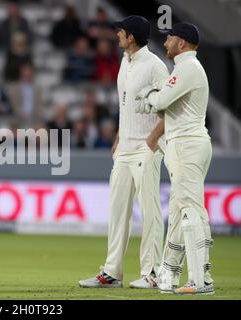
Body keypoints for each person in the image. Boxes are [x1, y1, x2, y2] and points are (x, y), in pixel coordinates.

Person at [79, 16, 169, 289]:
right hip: (125, 148)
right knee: (118, 211)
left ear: (131, 37)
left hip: (146, 148)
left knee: (151, 211)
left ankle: (152, 274)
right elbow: (126, 104)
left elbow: (169, 108)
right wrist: (119, 135)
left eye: (120, 31)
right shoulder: (124, 62)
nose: (116, 34)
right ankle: (112, 272)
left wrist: (151, 142)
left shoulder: (155, 66)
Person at [135, 23, 214, 295]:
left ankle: (200, 281)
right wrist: (153, 100)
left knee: (191, 212)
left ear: (182, 43)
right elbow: (165, 104)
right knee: (184, 212)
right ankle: (171, 274)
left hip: (186, 145)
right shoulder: (188, 68)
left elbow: (159, 101)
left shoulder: (187, 68)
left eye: (170, 38)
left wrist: (148, 97)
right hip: (189, 144)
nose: (166, 42)